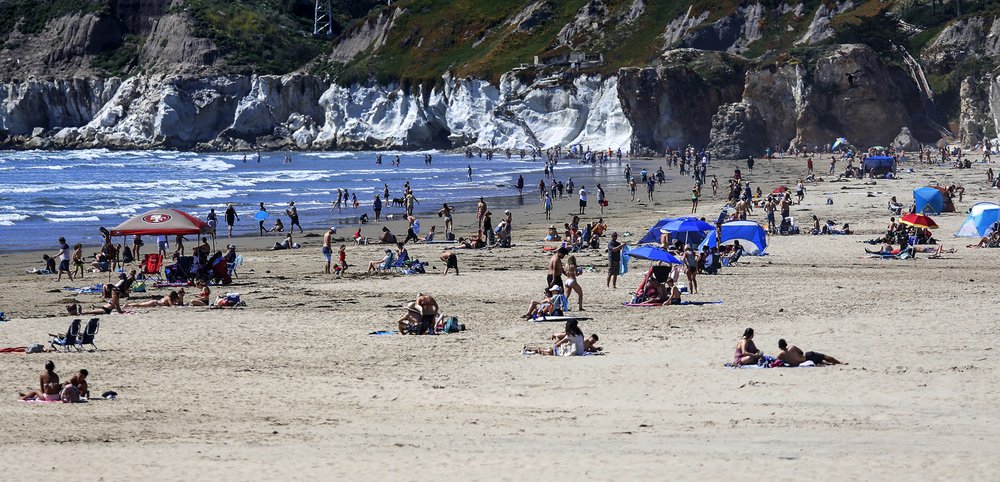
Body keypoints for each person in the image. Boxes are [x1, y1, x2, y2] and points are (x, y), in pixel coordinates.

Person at [776, 339, 845, 366]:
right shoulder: (792, 347)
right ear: (786, 344)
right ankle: (840, 362)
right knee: (823, 356)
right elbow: (801, 352)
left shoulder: (780, 355)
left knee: (821, 361)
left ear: (779, 347)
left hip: (802, 363)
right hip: (807, 358)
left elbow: (776, 362)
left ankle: (829, 363)